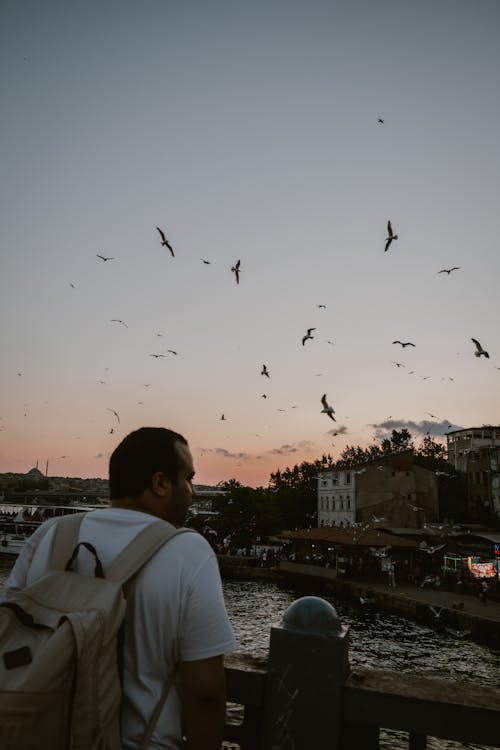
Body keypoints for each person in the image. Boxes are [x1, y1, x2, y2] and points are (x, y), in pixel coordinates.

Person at [2, 426, 238, 750]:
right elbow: (207, 691)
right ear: (160, 483)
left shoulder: (48, 535)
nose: (193, 491)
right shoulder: (188, 551)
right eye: (188, 478)